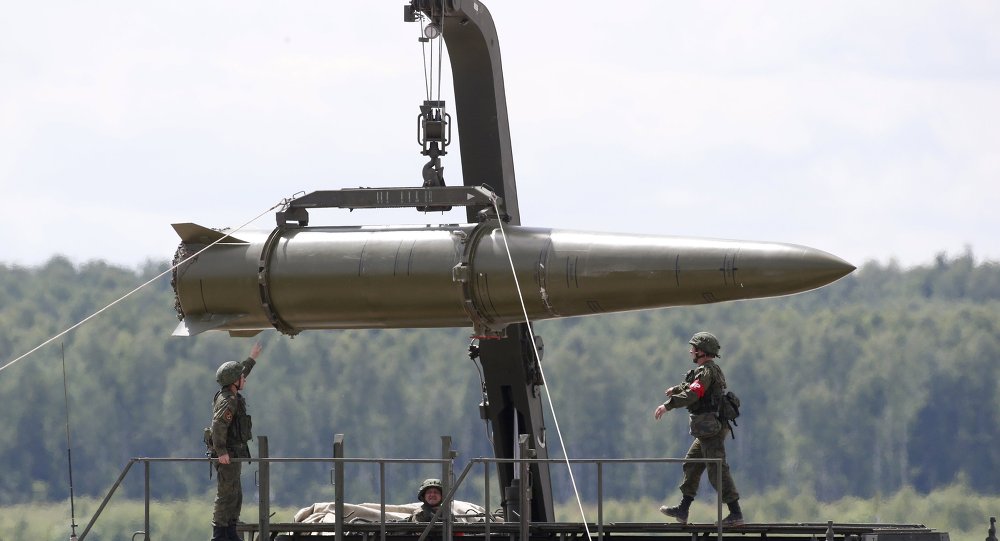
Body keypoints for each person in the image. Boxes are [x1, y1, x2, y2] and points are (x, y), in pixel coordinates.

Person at [653, 332, 744, 527]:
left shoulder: (706, 371)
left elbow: (695, 393)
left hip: (711, 429)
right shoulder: (708, 370)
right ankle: (683, 509)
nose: (691, 351)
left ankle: (736, 514)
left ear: (701, 352)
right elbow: (694, 386)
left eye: (694, 348)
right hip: (707, 429)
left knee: (717, 470)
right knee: (692, 464)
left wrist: (668, 405)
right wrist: (677, 389)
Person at [209, 342, 263, 541]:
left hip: (233, 454)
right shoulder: (229, 400)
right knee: (226, 495)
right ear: (234, 382)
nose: (244, 380)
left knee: (235, 495)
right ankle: (219, 535)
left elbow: (240, 373)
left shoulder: (230, 392)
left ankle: (230, 532)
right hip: (227, 455)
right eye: (242, 378)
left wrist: (252, 358)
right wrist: (221, 450)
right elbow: (218, 425)